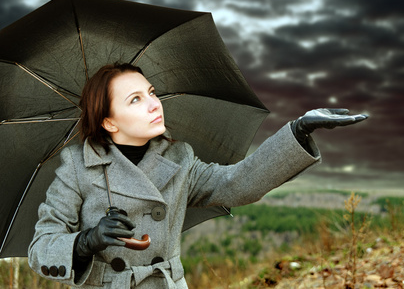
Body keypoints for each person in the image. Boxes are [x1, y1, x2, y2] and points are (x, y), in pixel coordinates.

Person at [28, 63, 367, 288]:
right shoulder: (76, 168)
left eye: (151, 92)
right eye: (135, 99)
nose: (153, 104)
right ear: (109, 122)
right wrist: (87, 241)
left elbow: (236, 184)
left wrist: (297, 131)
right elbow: (41, 246)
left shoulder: (179, 158)